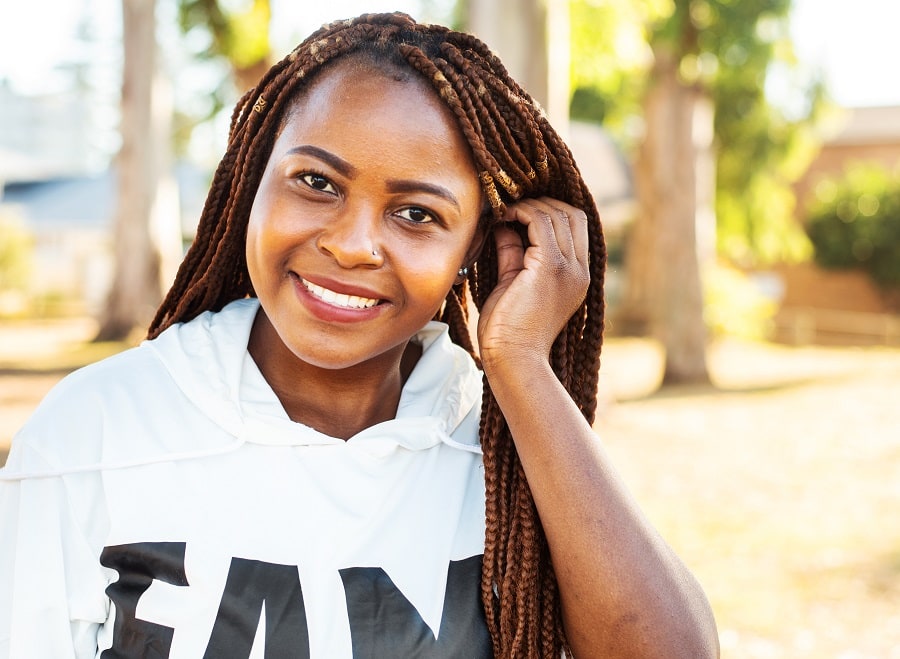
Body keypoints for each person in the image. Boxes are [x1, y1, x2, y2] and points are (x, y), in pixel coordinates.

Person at [0, 12, 718, 658]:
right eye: (316, 182)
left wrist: (522, 364)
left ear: (480, 245)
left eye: (416, 215)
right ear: (252, 178)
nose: (351, 245)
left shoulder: (505, 443)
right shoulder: (96, 429)